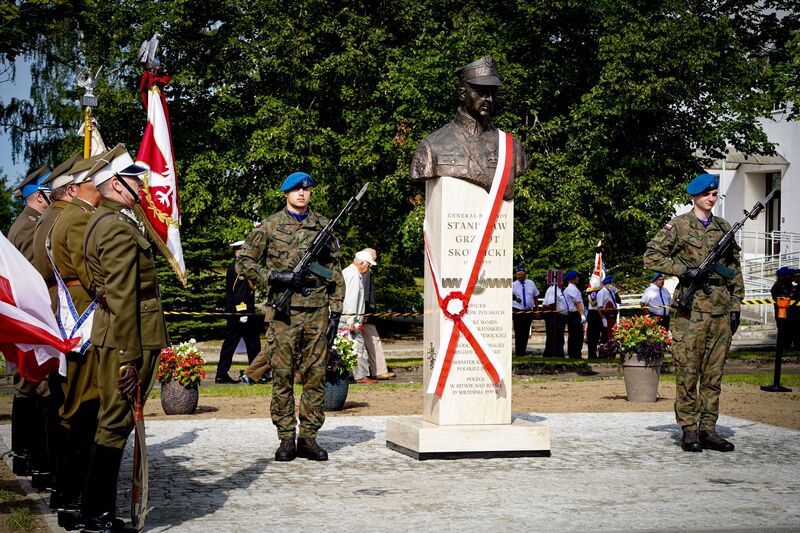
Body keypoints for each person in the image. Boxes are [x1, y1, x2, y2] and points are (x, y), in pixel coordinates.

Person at [82, 144, 168, 531]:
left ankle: (93, 510)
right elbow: (119, 295)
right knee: (115, 423)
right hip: (129, 335)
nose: (141, 184)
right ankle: (96, 514)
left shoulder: (112, 219)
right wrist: (128, 356)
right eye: (135, 179)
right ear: (116, 184)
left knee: (112, 422)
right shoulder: (115, 226)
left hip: (124, 332)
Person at [237, 172, 344, 462]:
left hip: (317, 313)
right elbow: (244, 261)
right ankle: (286, 437)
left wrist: (336, 310)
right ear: (286, 193)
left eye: (306, 189)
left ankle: (308, 438)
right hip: (283, 315)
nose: (301, 193)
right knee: (282, 377)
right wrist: (275, 277)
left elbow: (334, 271)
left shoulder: (323, 226)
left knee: (315, 377)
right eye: (296, 189)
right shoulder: (270, 226)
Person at [644, 173, 743, 453]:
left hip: (720, 309)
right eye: (706, 195)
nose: (711, 198)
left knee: (714, 374)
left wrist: (736, 306)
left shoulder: (724, 228)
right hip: (690, 311)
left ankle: (709, 429)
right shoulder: (678, 226)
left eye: (714, 194)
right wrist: (684, 270)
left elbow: (735, 271)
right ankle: (689, 430)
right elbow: (651, 256)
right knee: (688, 372)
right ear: (695, 197)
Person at [48, 151, 105, 527]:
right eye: (96, 180)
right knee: (84, 407)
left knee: (76, 406)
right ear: (78, 187)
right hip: (84, 314)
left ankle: (66, 493)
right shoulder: (79, 219)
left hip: (74, 310)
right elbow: (94, 273)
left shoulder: (68, 216)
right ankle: (74, 498)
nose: (103, 186)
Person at [409, 56, 528, 200]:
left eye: (493, 92)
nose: (489, 99)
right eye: (481, 92)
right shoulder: (432, 147)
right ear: (462, 94)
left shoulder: (511, 147)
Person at [216, 240, 263, 384]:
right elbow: (239, 293)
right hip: (241, 312)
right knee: (249, 344)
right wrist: (242, 312)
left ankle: (223, 373)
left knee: (241, 343)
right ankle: (255, 374)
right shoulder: (239, 268)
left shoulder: (237, 266)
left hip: (238, 311)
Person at [340, 250, 376, 384]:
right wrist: (351, 320)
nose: (369, 267)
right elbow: (351, 298)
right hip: (350, 319)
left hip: (350, 317)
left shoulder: (349, 272)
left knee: (351, 347)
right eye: (369, 264)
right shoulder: (354, 275)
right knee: (357, 346)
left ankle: (359, 375)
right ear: (361, 262)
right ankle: (360, 376)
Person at [361, 248, 395, 380]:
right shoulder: (366, 272)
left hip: (363, 312)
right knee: (374, 342)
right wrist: (365, 312)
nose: (373, 263)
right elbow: (365, 293)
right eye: (373, 260)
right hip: (366, 313)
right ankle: (379, 370)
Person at [7, 165, 51, 262]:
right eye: (51, 190)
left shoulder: (33, 221)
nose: (54, 194)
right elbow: (37, 271)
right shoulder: (29, 226)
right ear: (39, 196)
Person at [512, 265, 539, 357]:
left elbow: (535, 297)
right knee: (518, 332)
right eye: (517, 274)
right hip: (517, 311)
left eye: (520, 274)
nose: (518, 276)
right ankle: (518, 353)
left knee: (525, 332)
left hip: (528, 311)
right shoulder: (513, 285)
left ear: (524, 274)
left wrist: (537, 309)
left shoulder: (531, 283)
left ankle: (522, 352)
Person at [562, 270, 586, 358]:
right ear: (572, 279)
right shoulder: (574, 290)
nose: (578, 278)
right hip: (575, 314)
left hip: (570, 314)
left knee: (572, 335)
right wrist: (582, 314)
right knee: (578, 335)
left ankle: (572, 353)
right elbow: (577, 303)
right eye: (576, 277)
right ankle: (576, 354)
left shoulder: (567, 289)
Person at [542, 278, 566, 357]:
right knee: (555, 336)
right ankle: (556, 353)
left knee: (557, 336)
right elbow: (552, 304)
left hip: (557, 316)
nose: (563, 283)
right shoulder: (553, 290)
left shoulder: (558, 290)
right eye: (561, 281)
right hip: (554, 316)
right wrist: (559, 314)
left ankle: (555, 353)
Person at [596, 275, 619, 345]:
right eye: (611, 283)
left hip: (612, 316)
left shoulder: (611, 292)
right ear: (607, 283)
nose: (612, 285)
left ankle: (610, 348)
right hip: (606, 316)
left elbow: (618, 301)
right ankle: (603, 349)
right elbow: (599, 307)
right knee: (605, 335)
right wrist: (603, 318)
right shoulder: (601, 292)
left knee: (611, 334)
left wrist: (616, 293)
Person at [585, 287, 603, 359]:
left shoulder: (595, 290)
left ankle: (593, 354)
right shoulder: (597, 290)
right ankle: (592, 354)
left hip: (593, 313)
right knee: (593, 336)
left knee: (595, 336)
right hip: (594, 313)